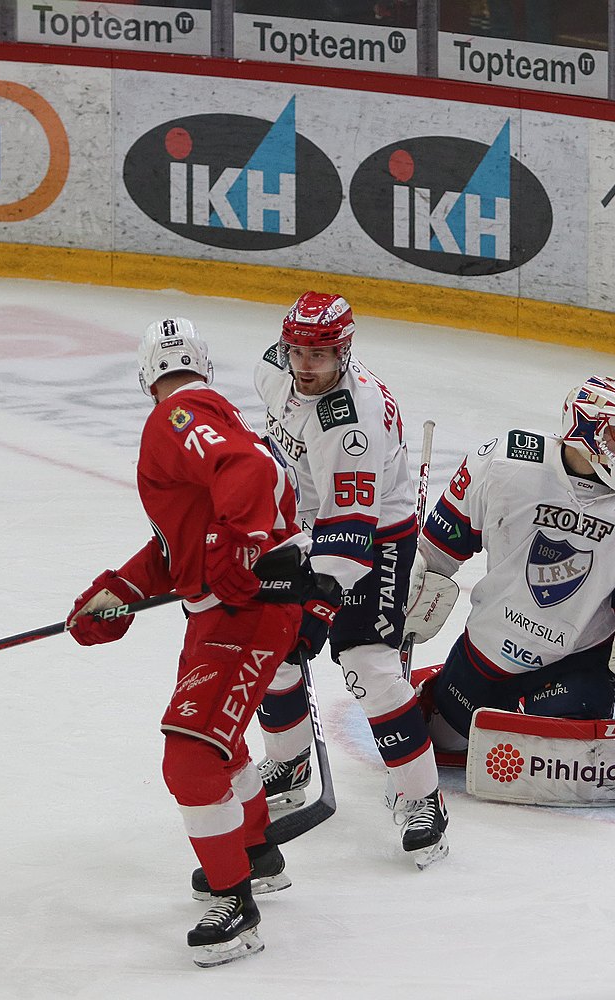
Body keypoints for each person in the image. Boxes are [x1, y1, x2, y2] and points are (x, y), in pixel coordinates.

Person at [66, 317, 310, 967]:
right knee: (217, 742)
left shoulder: (174, 418)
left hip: (246, 613)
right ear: (201, 364)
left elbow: (249, 472)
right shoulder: (208, 414)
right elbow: (180, 544)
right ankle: (254, 853)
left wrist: (240, 542)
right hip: (225, 613)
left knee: (190, 758)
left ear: (147, 375)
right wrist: (119, 589)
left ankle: (236, 908)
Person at [251, 291, 448, 867]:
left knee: (369, 665)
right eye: (298, 352)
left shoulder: (349, 424)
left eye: (321, 354)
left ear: (344, 351)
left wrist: (316, 610)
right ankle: (288, 762)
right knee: (269, 644)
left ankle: (423, 800)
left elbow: (350, 533)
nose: (306, 366)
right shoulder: (273, 368)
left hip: (374, 536)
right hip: (305, 523)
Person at [408, 376, 615, 757]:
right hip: (490, 650)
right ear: (583, 428)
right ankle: (443, 693)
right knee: (448, 740)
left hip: (578, 659)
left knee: (561, 750)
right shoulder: (504, 462)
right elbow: (438, 548)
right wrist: (411, 578)